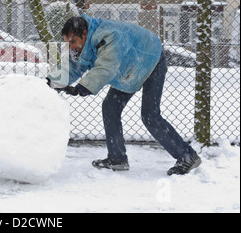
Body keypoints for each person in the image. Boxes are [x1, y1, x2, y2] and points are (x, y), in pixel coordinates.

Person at [47, 14, 201, 176]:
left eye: (72, 41)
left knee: (150, 116)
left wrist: (82, 88)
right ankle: (117, 158)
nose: (71, 46)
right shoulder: (87, 44)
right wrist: (51, 83)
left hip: (150, 60)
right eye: (68, 43)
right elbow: (73, 66)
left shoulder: (109, 35)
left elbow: (107, 67)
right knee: (110, 107)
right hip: (130, 68)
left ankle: (187, 156)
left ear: (84, 33)